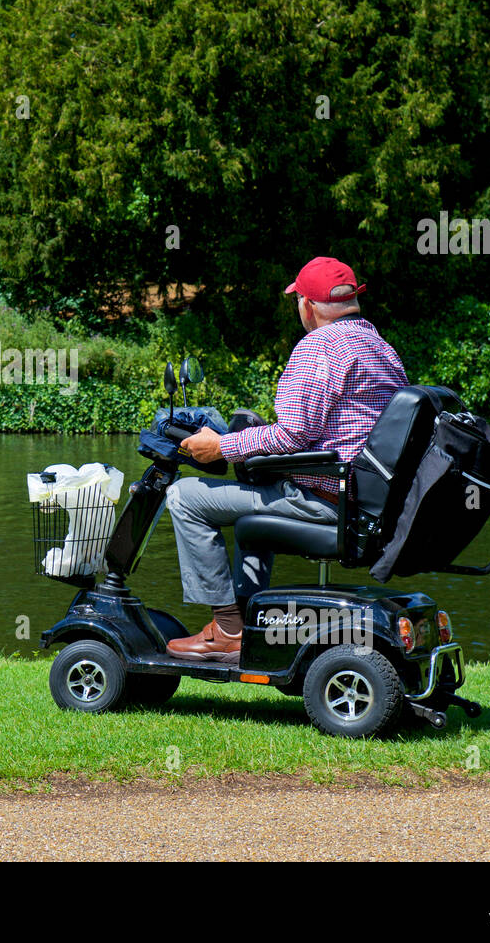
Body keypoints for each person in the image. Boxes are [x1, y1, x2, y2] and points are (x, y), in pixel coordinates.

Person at [164, 256, 409, 662]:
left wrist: (221, 446)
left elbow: (293, 434)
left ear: (308, 306)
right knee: (254, 496)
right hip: (367, 501)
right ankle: (248, 622)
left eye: (298, 300)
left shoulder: (319, 346)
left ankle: (226, 630)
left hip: (325, 499)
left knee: (185, 496)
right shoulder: (383, 350)